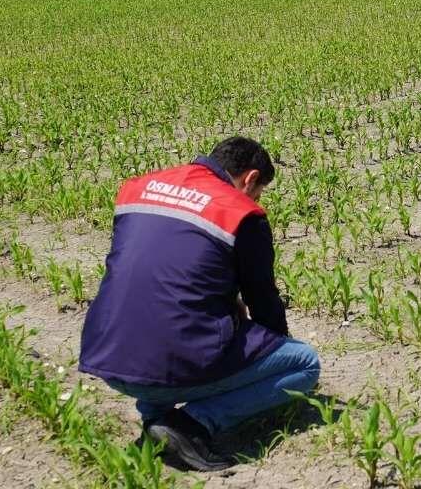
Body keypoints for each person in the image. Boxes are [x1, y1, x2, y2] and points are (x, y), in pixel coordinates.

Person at [80, 136, 320, 470]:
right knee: (304, 364)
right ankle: (192, 424)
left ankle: (154, 414)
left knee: (160, 315)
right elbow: (262, 298)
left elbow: (164, 272)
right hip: (168, 367)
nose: (257, 197)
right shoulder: (242, 213)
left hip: (108, 357)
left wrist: (225, 302)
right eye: (259, 190)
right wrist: (274, 349)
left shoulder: (139, 187)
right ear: (250, 179)